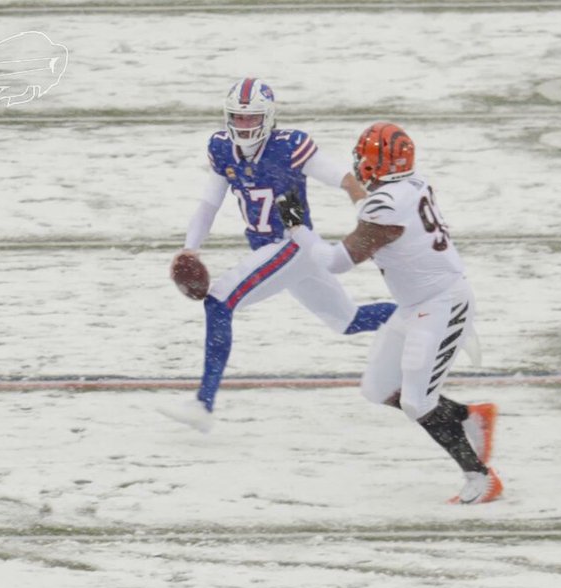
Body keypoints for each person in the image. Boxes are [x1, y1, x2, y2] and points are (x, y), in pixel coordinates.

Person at [276, 122, 502, 504]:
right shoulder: (411, 186)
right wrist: (351, 190)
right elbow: (373, 211)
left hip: (442, 304)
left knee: (417, 400)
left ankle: (480, 477)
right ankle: (469, 416)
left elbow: (335, 262)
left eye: (364, 156)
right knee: (379, 387)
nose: (359, 161)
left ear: (377, 163)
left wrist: (298, 229)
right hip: (416, 305)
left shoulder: (386, 206)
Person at [164, 78, 395, 431]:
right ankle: (423, 315)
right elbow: (209, 204)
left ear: (269, 118)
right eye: (237, 118)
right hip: (279, 250)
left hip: (290, 242)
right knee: (348, 321)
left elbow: (339, 176)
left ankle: (203, 404)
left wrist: (359, 197)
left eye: (251, 118)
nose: (243, 126)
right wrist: (189, 248)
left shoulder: (288, 146)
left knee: (220, 301)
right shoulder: (222, 148)